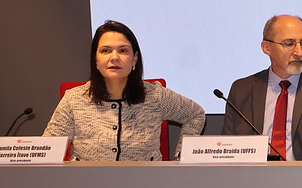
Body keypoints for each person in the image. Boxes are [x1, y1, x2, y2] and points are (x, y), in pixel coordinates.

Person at [44, 21, 205, 161]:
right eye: (105, 50)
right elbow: (48, 150)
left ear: (134, 58)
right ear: (95, 59)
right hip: (87, 183)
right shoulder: (74, 99)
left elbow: (195, 114)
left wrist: (181, 158)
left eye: (123, 51)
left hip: (145, 183)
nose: (114, 57)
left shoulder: (155, 96)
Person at [222, 14, 302, 160]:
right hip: (255, 173)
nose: (299, 52)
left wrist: (298, 170)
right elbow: (228, 148)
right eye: (289, 44)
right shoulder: (242, 89)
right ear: (267, 47)